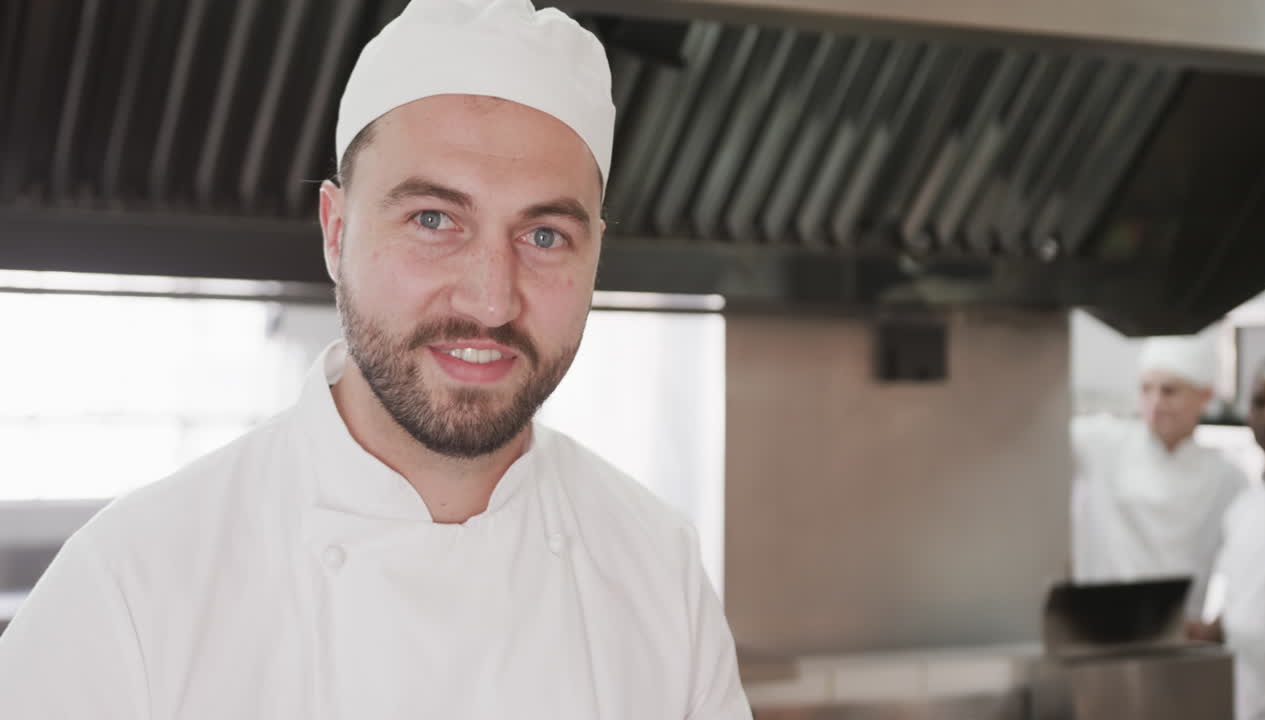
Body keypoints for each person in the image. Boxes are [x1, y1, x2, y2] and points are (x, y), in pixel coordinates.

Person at [0, 1, 751, 717]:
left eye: (545, 235)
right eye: (433, 219)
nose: (492, 301)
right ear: (335, 231)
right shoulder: (129, 590)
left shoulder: (659, 571)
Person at [1071, 336, 1247, 617]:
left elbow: (1250, 567)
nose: (1155, 403)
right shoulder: (1101, 444)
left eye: (1169, 391)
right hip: (1096, 627)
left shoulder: (1228, 478)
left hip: (1178, 639)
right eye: (1146, 389)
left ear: (1204, 396)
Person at [1189, 356, 1265, 720]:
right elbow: (1250, 605)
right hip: (1248, 699)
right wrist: (1205, 631)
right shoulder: (1244, 507)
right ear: (1248, 416)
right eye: (1261, 403)